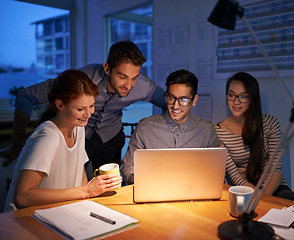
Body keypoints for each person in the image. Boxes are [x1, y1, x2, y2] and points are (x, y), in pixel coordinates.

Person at [0, 41, 167, 179]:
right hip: (78, 137)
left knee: (108, 189)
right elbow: (25, 97)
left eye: (134, 78)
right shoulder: (82, 79)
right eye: (122, 77)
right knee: (77, 186)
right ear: (107, 68)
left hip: (111, 138)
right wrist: (16, 144)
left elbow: (170, 103)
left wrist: (160, 138)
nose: (129, 85)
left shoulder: (144, 86)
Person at [4, 69, 122, 211]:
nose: (88, 114)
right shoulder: (47, 137)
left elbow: (81, 178)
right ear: (60, 105)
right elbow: (22, 197)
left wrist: (92, 191)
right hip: (24, 221)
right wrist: (86, 191)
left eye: (91, 106)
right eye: (80, 109)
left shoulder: (78, 127)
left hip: (57, 213)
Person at [215, 72, 294, 202]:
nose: (236, 101)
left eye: (243, 96)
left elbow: (275, 168)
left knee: (293, 201)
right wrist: (252, 193)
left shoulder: (270, 123)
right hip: (241, 188)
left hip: (272, 187)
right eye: (231, 95)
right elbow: (234, 174)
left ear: (252, 98)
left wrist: (263, 198)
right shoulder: (218, 131)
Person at [121, 69, 220, 185]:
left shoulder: (206, 129)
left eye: (183, 100)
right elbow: (128, 168)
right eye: (171, 98)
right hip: (154, 193)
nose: (175, 106)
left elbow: (216, 172)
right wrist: (148, 181)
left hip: (194, 195)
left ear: (194, 100)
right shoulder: (145, 128)